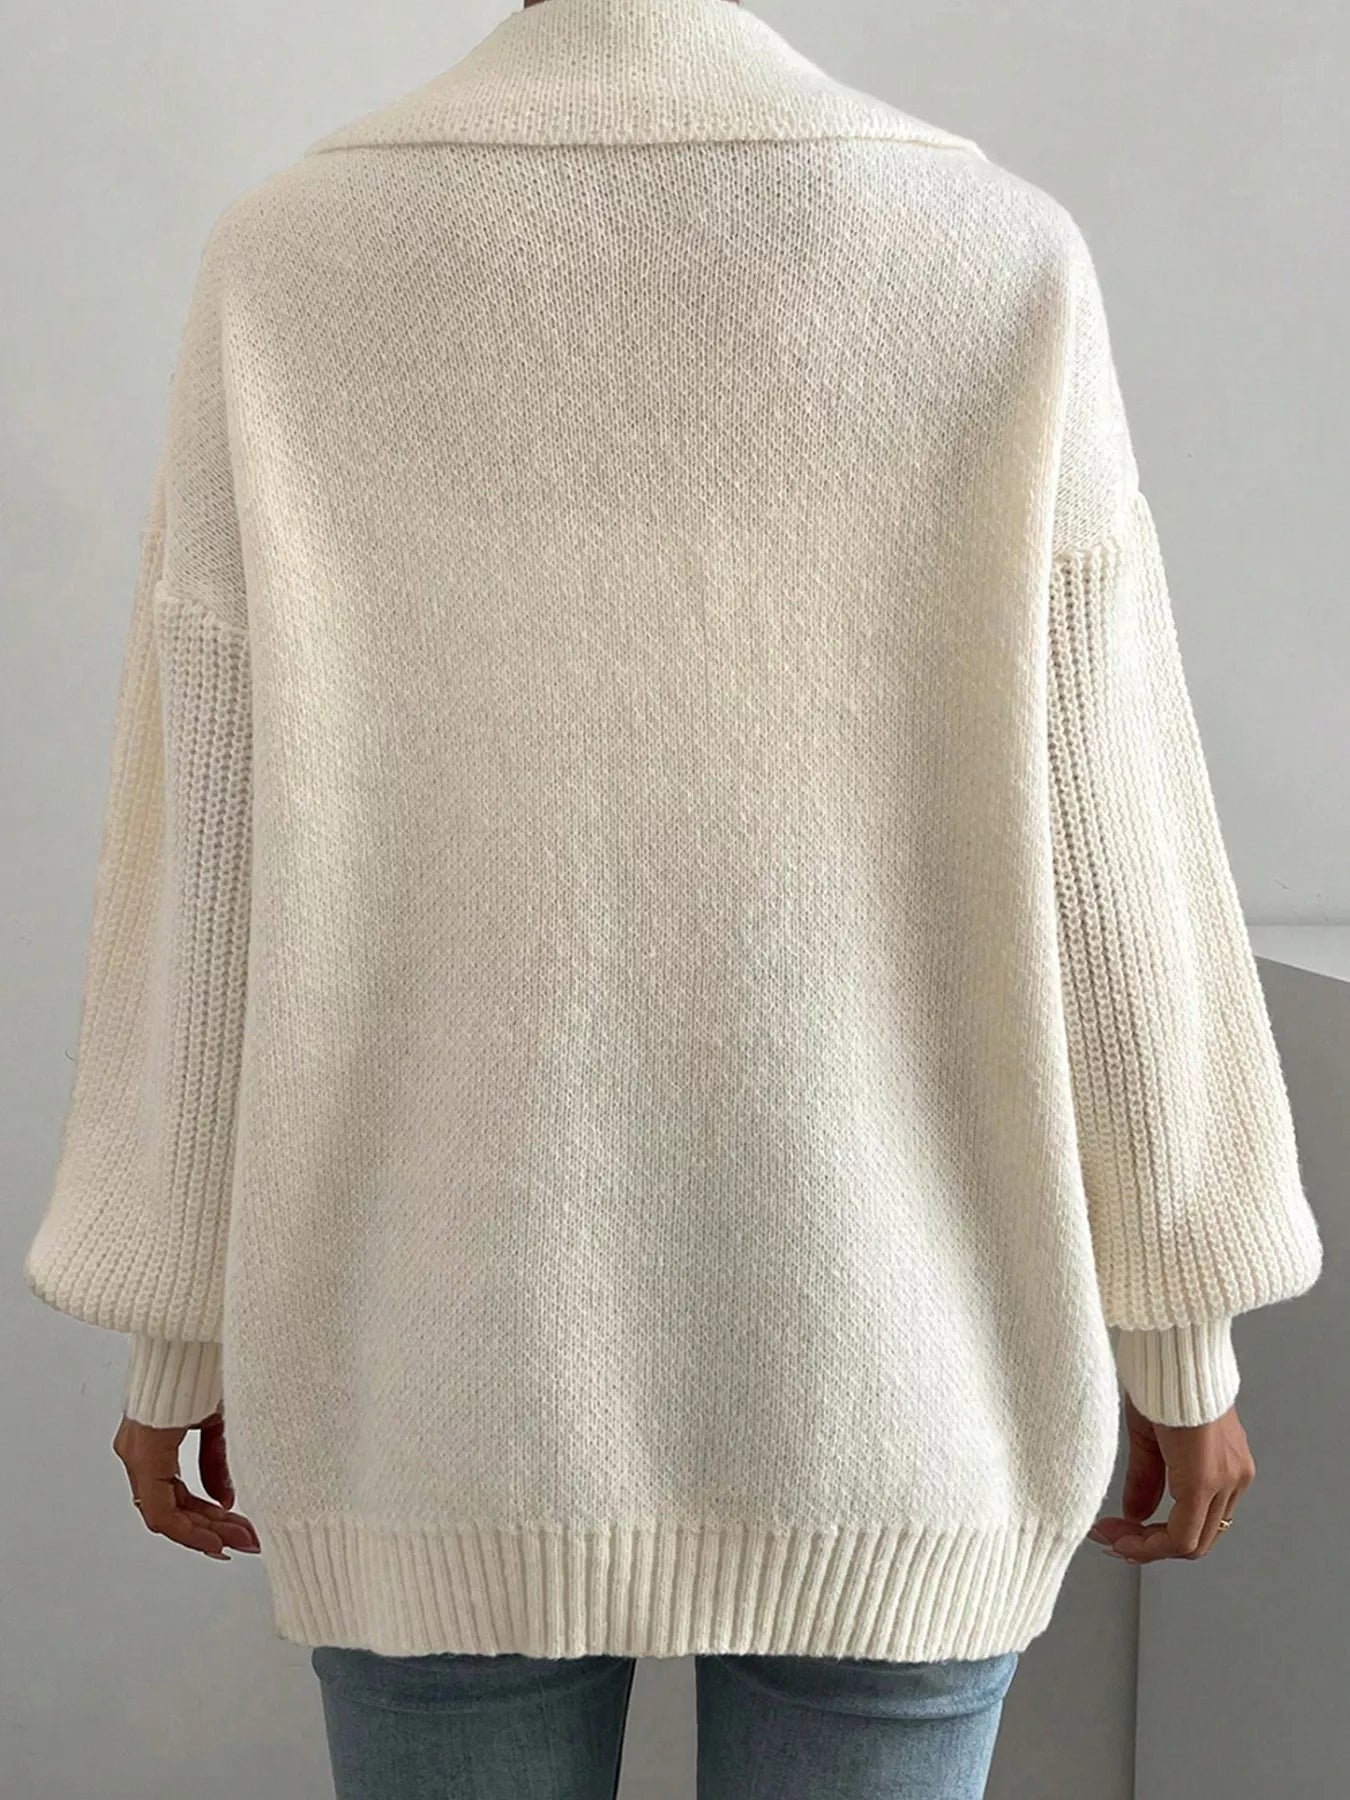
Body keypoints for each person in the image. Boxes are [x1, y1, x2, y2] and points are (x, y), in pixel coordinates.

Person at [24, 0, 1324, 1794]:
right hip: (900, 1365)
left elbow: (211, 842)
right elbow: (1112, 845)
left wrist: (179, 1328)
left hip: (424, 1369)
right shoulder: (990, 256)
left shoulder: (291, 260)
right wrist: (1180, 1333)